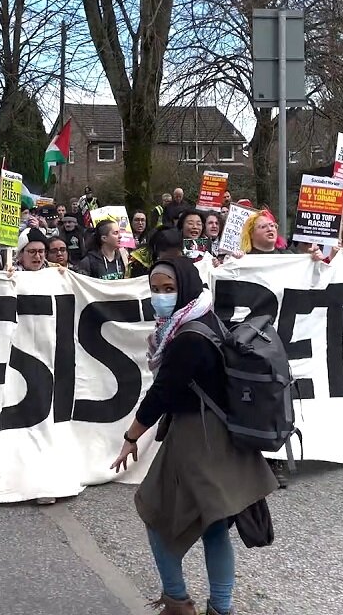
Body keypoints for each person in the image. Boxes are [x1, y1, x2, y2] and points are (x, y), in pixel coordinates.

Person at [111, 257, 277, 615]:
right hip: (221, 434)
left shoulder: (186, 337)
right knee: (213, 526)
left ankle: (177, 601)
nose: (160, 297)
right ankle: (220, 607)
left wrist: (131, 436)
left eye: (168, 289)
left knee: (154, 513)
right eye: (154, 289)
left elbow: (162, 393)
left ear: (183, 287)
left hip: (196, 438)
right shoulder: (203, 317)